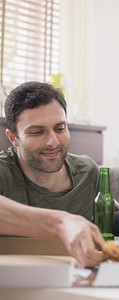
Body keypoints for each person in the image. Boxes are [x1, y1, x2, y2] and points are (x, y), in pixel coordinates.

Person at [0, 81, 107, 267]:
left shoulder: (87, 173)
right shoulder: (3, 171)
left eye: (60, 128)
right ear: (13, 138)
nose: (53, 142)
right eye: (37, 132)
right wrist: (61, 223)